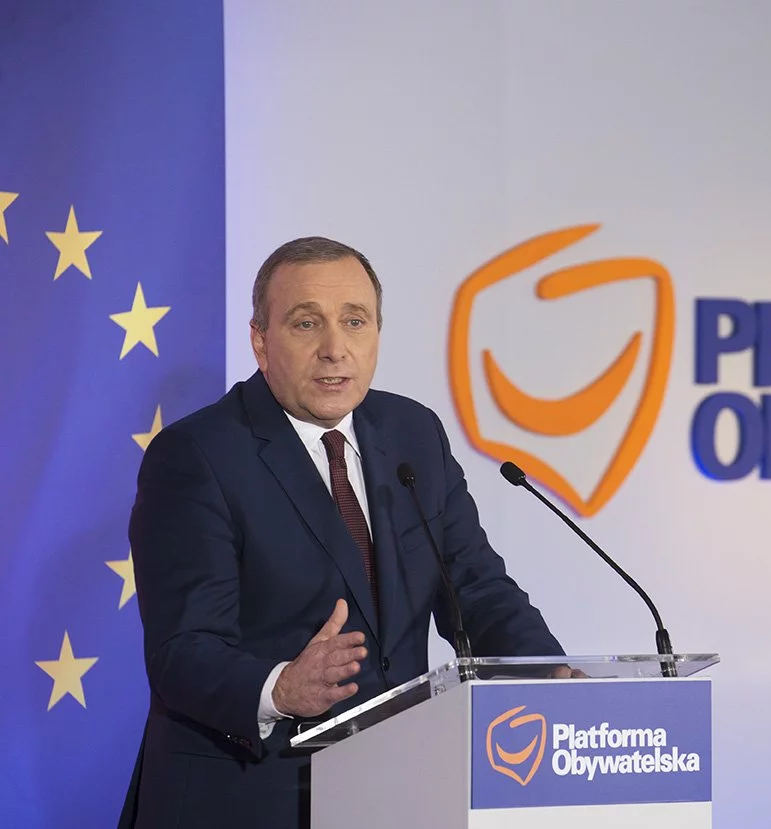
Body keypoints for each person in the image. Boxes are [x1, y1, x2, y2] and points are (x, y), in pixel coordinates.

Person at [117, 236, 567, 828]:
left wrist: (551, 678)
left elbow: (476, 589)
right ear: (261, 341)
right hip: (246, 798)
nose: (335, 349)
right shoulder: (198, 455)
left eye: (355, 321)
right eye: (307, 324)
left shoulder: (414, 433)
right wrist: (280, 688)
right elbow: (182, 650)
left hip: (390, 792)